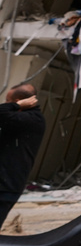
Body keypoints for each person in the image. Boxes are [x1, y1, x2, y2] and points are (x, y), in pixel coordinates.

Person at [0, 84, 46, 229]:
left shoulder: (32, 119)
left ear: (20, 100)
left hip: (6, 187)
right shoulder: (18, 118)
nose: (7, 104)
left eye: (9, 100)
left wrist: (15, 105)